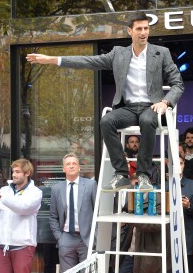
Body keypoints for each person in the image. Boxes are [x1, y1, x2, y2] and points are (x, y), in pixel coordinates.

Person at [26, 11, 184, 192]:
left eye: (146, 28)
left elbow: (178, 84)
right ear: (129, 31)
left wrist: (165, 102)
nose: (143, 32)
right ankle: (122, 174)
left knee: (148, 120)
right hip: (129, 108)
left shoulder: (161, 53)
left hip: (152, 107)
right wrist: (54, 60)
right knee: (106, 120)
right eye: (139, 29)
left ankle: (144, 174)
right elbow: (89, 61)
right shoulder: (118, 54)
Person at [0, 159, 43, 273]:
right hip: (1, 248)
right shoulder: (4, 191)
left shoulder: (35, 193)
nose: (14, 174)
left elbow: (22, 207)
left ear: (27, 173)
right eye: (13, 171)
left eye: (18, 171)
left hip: (23, 248)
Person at [49, 153, 97, 273]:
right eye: (68, 164)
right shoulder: (56, 189)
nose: (71, 166)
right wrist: (60, 238)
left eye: (74, 163)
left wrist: (94, 238)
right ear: (63, 168)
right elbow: (53, 216)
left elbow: (98, 212)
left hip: (86, 238)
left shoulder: (91, 185)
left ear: (79, 168)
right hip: (66, 238)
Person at [167, 154, 193, 273]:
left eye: (180, 163)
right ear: (169, 165)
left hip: (188, 235)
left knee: (189, 270)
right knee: (168, 271)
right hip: (167, 236)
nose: (178, 167)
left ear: (183, 165)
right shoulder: (163, 186)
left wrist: (189, 206)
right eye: (174, 164)